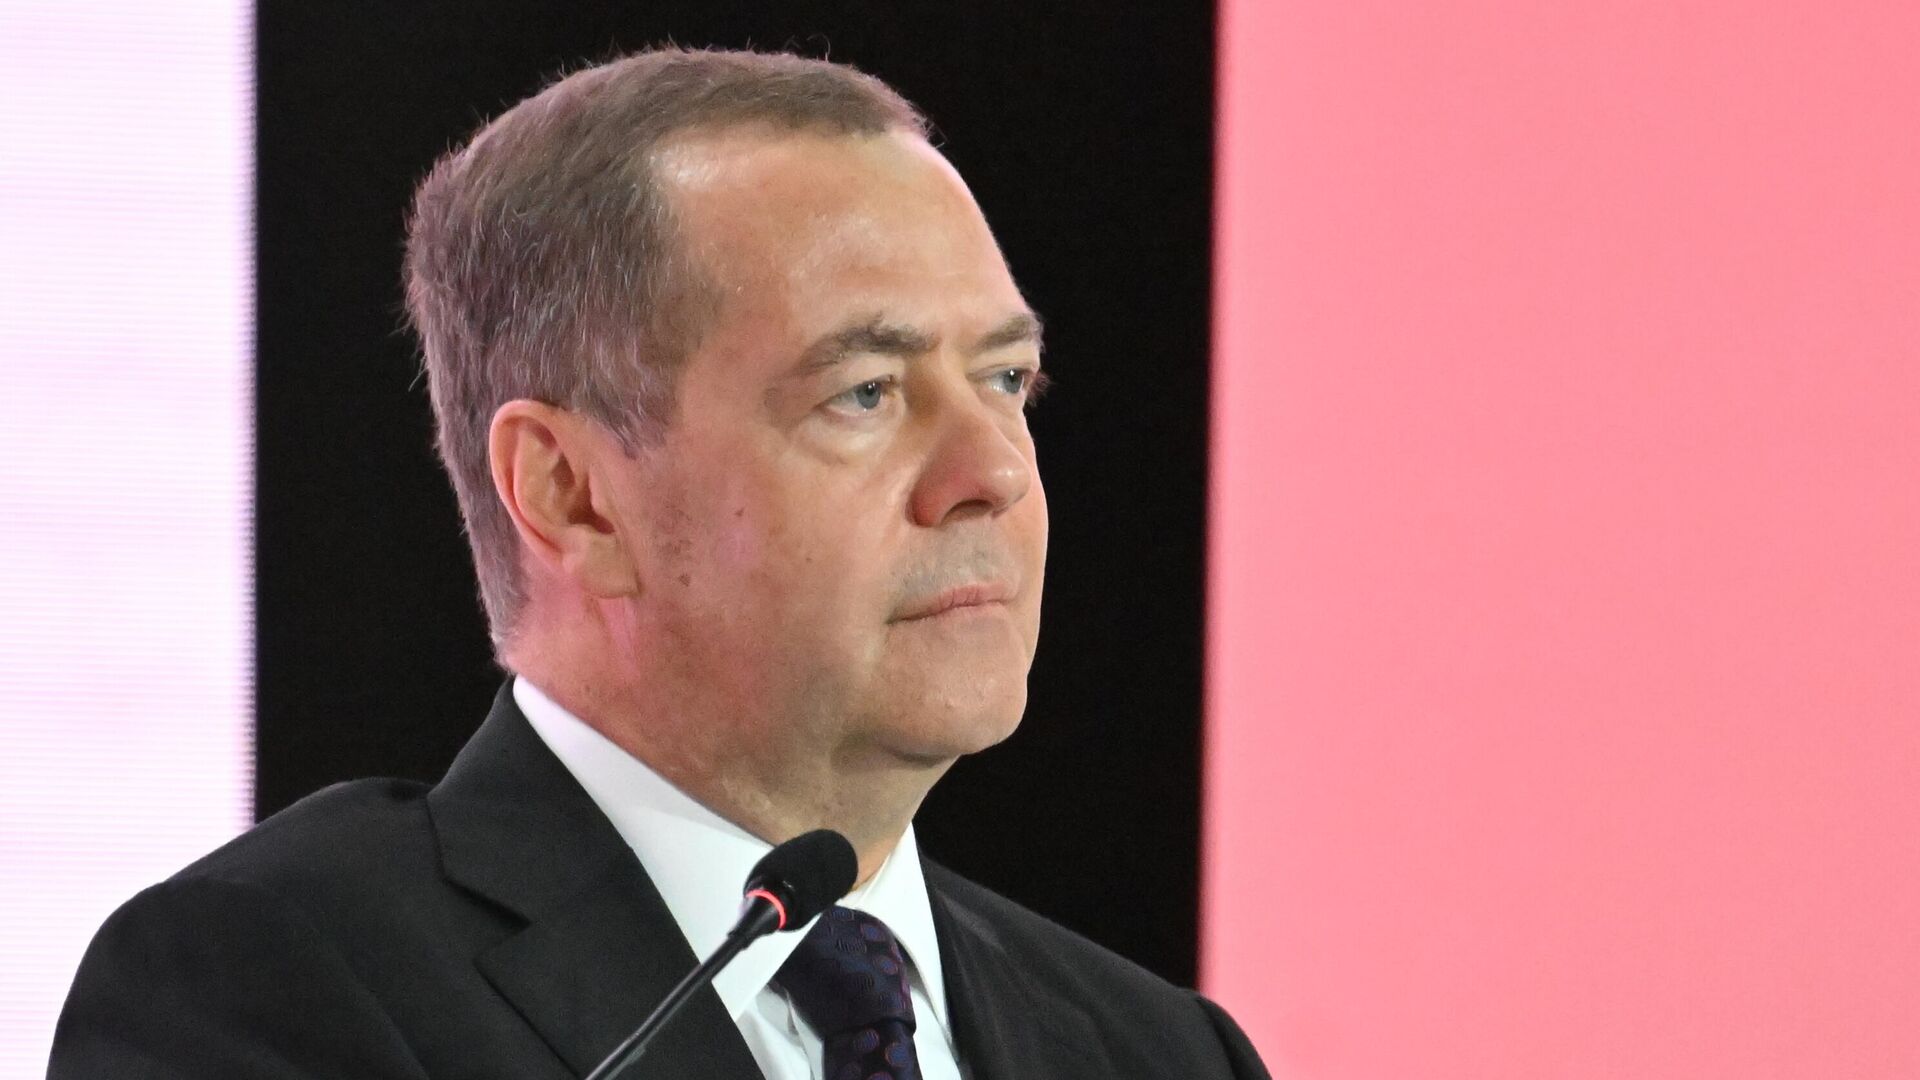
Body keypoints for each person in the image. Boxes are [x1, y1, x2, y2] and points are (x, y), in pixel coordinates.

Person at [49, 48, 1269, 1079]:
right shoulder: (272, 987)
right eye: (865, 392)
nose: (993, 471)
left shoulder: (1163, 1052)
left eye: (1006, 379)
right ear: (573, 496)